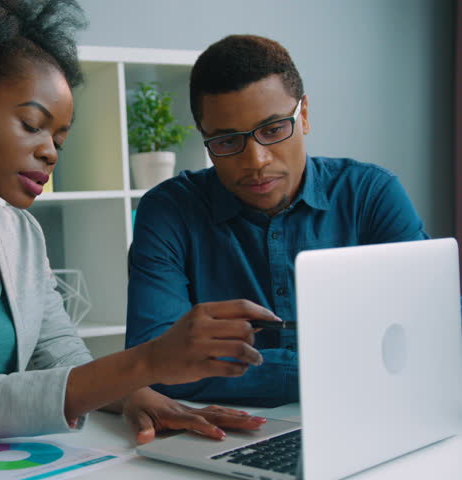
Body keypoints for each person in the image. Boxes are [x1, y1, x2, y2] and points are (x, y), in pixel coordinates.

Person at [0, 0, 277, 443]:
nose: (50, 151)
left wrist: (136, 394)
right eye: (32, 124)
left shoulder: (20, 233)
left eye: (59, 139)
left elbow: (60, 354)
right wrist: (150, 361)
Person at [126, 34, 429, 407]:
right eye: (226, 142)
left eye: (273, 130)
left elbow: (434, 331)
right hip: (228, 434)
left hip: (367, 413)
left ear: (303, 115)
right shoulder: (168, 212)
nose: (256, 161)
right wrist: (345, 367)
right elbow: (152, 366)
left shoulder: (371, 195)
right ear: (204, 137)